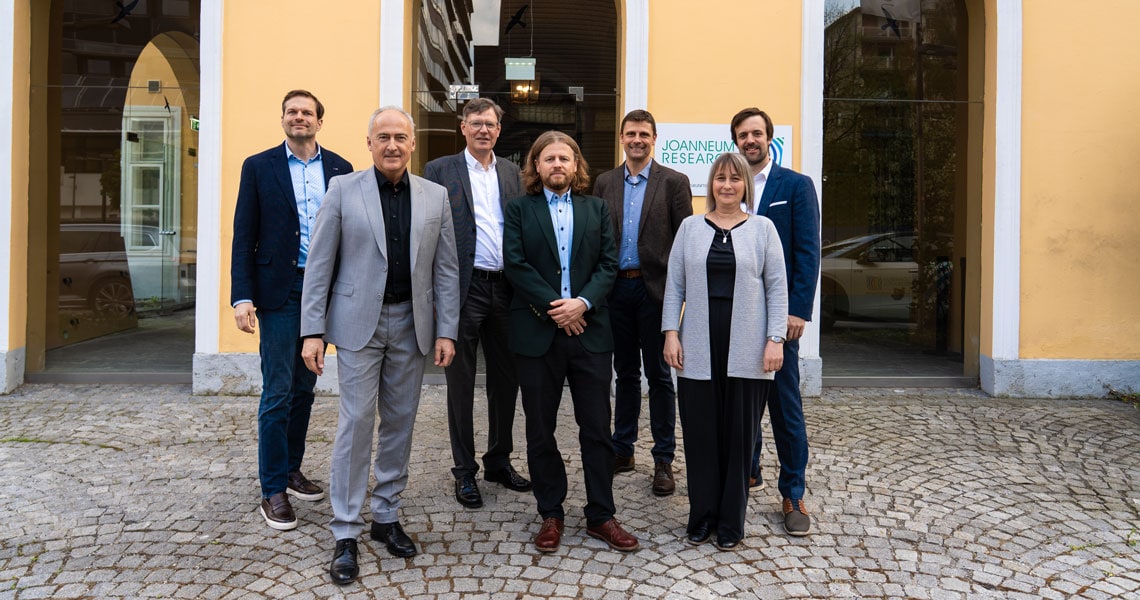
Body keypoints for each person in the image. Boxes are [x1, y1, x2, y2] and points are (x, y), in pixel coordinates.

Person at [299, 107, 460, 585]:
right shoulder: (342, 190)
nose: (392, 145)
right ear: (369, 143)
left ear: (412, 144)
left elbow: (446, 269)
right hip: (356, 326)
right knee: (355, 423)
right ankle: (346, 529)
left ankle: (386, 515)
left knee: (400, 423)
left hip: (413, 325)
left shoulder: (435, 196)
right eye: (383, 137)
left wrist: (447, 330)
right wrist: (312, 330)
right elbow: (319, 264)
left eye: (400, 137)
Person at [503, 131, 639, 554]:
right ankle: (551, 513)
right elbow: (516, 265)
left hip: (590, 332)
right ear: (536, 166)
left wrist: (581, 304)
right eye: (549, 158)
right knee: (540, 430)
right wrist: (556, 309)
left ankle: (601, 514)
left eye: (564, 158)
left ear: (576, 165)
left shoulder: (596, 208)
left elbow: (608, 264)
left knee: (597, 429)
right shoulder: (519, 209)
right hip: (537, 333)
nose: (557, 164)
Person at [231, 89, 353, 532]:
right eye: (291, 111)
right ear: (283, 118)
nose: (299, 117)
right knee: (278, 390)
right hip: (279, 291)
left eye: (307, 112)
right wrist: (242, 296)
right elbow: (244, 234)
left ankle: (290, 469)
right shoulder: (258, 166)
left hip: (324, 292)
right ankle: (272, 489)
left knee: (305, 387)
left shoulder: (340, 169)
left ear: (320, 121)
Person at [662, 152, 788, 550]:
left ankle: (731, 522)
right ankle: (702, 517)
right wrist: (670, 333)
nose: (728, 185)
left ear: (745, 185)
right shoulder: (689, 228)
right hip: (698, 343)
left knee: (739, 437)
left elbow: (777, 288)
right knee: (700, 435)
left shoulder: (763, 229)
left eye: (735, 179)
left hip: (748, 347)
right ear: (711, 184)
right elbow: (675, 285)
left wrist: (775, 339)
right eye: (720, 178)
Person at [423, 98, 531, 509]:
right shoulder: (440, 171)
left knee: (506, 382)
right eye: (476, 123)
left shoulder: (513, 174)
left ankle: (498, 461)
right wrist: (436, 298)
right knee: (461, 384)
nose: (483, 130)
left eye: (490, 124)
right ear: (463, 127)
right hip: (462, 291)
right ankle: (464, 470)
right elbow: (430, 234)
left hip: (506, 289)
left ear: (498, 130)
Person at [731, 107, 821, 537]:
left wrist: (798, 310)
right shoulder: (730, 187)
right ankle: (749, 470)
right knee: (741, 397)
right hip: (735, 314)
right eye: (743, 135)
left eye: (757, 133)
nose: (750, 141)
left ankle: (793, 492)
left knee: (784, 406)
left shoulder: (795, 186)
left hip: (780, 315)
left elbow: (807, 251)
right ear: (735, 142)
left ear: (769, 138)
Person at [593, 109, 692, 496]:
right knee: (625, 374)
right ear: (622, 138)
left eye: (644, 134)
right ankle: (623, 449)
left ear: (654, 139)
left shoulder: (674, 183)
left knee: (660, 377)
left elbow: (684, 243)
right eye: (631, 133)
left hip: (656, 293)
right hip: (615, 291)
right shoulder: (605, 182)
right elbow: (595, 237)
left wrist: (681, 298)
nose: (637, 140)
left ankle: (663, 458)